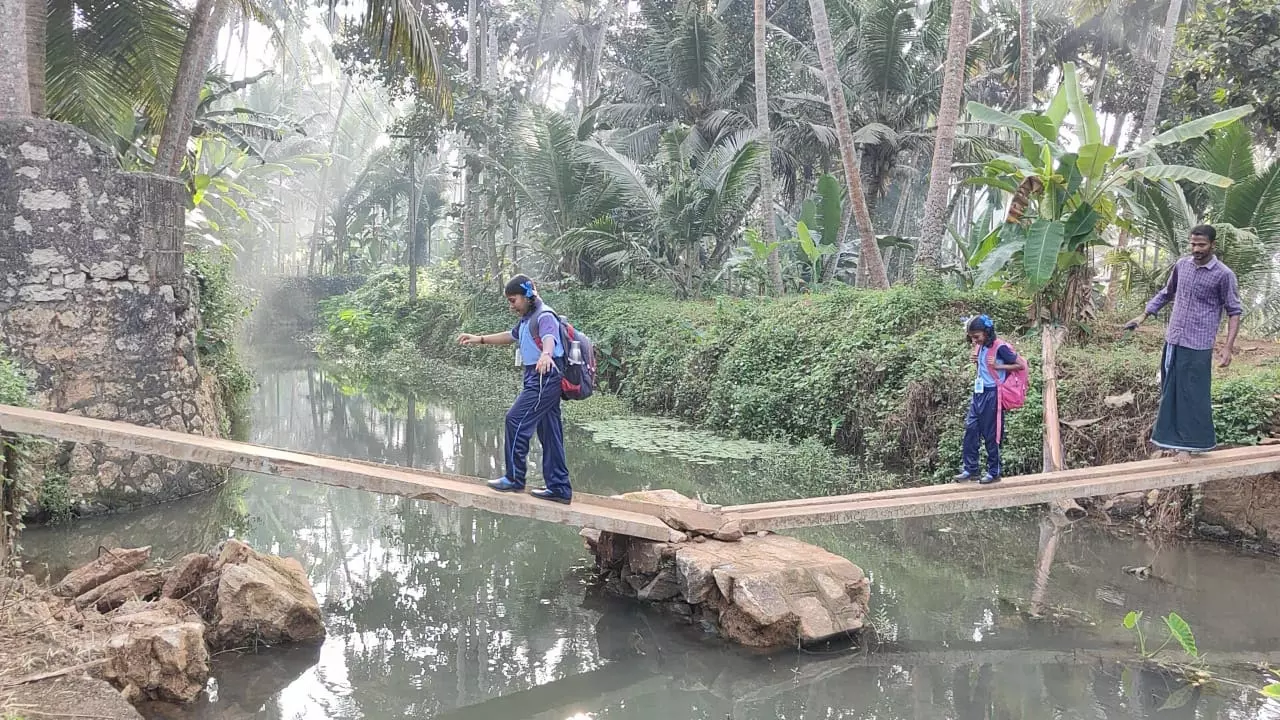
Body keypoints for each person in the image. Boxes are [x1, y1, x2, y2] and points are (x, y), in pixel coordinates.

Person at [1125, 224, 1242, 460]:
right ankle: (1172, 442)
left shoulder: (1223, 275)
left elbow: (1234, 311)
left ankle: (1192, 445)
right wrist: (1143, 315)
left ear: (1212, 245)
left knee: (1194, 394)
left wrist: (1228, 347)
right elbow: (1167, 293)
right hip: (1174, 339)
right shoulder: (1182, 266)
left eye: (1201, 245)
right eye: (1193, 244)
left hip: (1198, 344)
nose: (1196, 249)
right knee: (1171, 390)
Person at [456, 275, 573, 504]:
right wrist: (478, 339)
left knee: (515, 420)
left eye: (513, 300)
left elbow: (550, 337)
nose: (511, 306)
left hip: (544, 376)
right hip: (537, 375)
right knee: (550, 432)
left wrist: (546, 354)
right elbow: (510, 337)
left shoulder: (545, 315)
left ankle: (514, 478)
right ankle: (560, 488)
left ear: (527, 295)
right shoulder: (527, 319)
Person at [955, 315, 1023, 485]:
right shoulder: (980, 346)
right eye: (971, 337)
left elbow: (1020, 365)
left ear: (987, 332)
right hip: (978, 393)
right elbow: (984, 367)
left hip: (993, 393)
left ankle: (994, 472)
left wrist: (999, 366)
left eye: (976, 336)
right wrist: (977, 361)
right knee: (970, 430)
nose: (974, 340)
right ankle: (971, 470)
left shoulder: (1000, 347)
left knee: (991, 434)